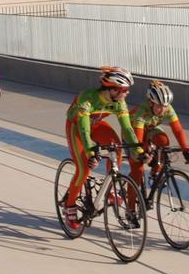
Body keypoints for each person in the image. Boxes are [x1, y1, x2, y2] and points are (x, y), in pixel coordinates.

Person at [59, 66, 146, 232]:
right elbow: (84, 130)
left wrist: (139, 150)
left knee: (116, 146)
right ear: (113, 89)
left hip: (96, 125)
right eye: (125, 90)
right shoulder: (88, 99)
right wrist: (91, 150)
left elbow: (127, 129)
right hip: (77, 127)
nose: (127, 93)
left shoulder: (119, 103)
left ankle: (109, 188)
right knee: (84, 169)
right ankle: (69, 207)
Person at [128, 80, 189, 191]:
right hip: (133, 133)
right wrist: (142, 153)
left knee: (163, 141)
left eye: (165, 106)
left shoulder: (167, 108)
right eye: (159, 106)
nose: (163, 110)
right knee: (138, 170)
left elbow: (178, 130)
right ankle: (131, 208)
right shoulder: (142, 111)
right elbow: (138, 139)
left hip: (149, 128)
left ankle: (155, 173)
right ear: (151, 103)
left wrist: (185, 149)